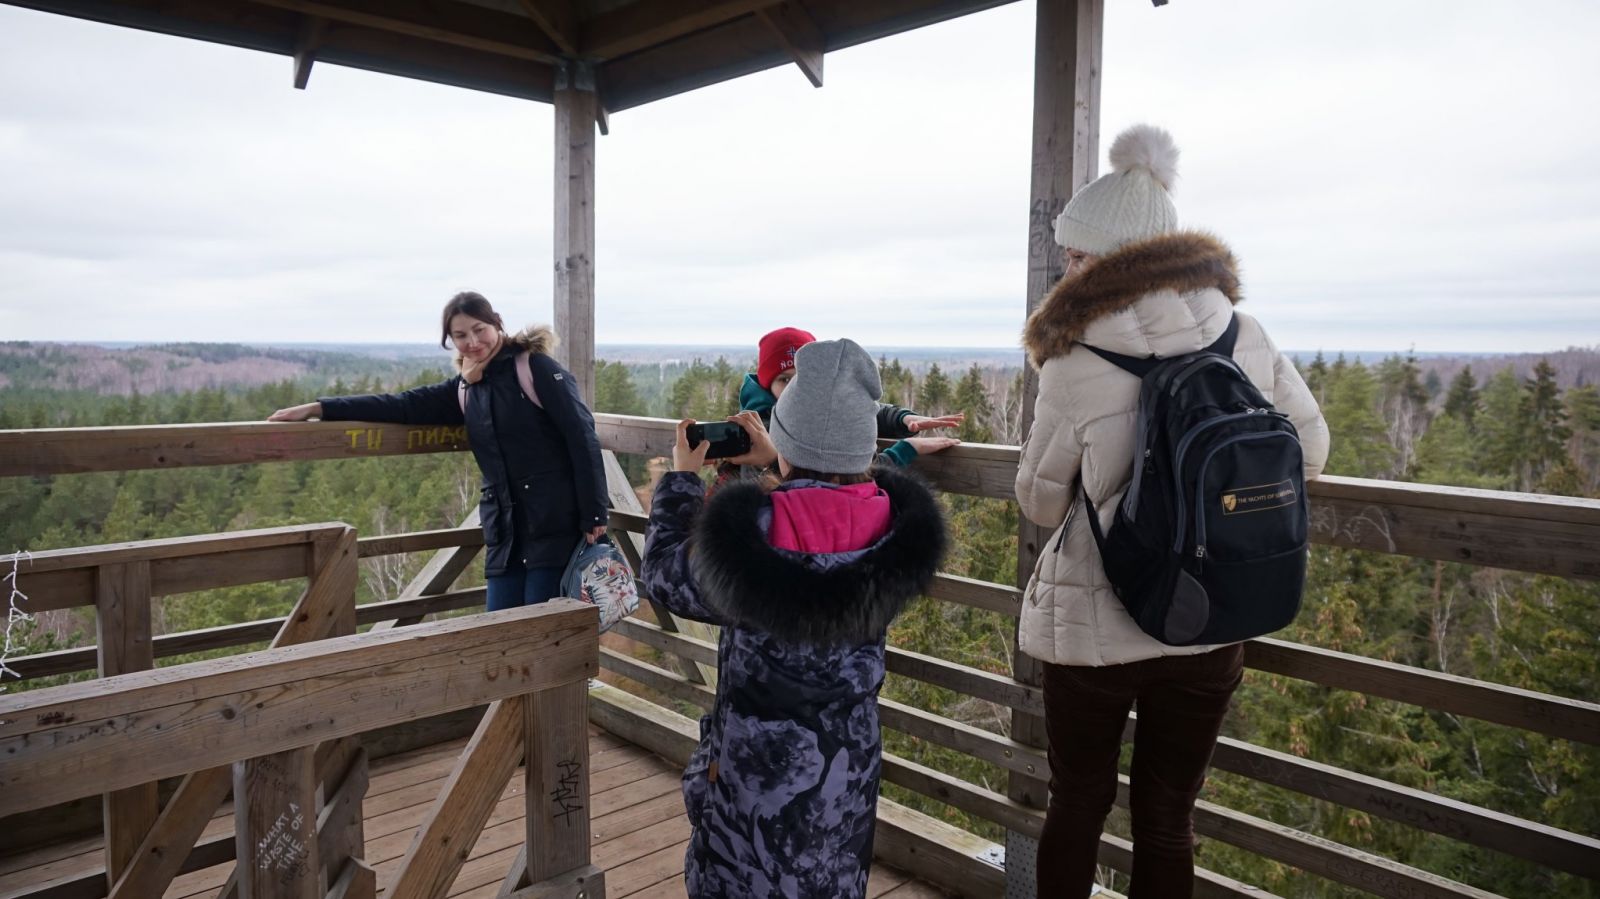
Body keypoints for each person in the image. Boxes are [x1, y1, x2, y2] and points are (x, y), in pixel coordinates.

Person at [1015, 124, 1330, 897]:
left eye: (1079, 253)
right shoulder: (1244, 334)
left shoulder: (1073, 359)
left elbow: (1040, 497)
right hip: (1208, 615)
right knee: (1166, 817)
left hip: (1094, 631)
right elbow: (1310, 450)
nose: (1067, 266)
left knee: (1078, 803)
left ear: (1115, 259)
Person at [642, 338, 948, 898]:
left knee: (743, 877)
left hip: (756, 765)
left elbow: (665, 578)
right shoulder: (891, 525)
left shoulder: (752, 535)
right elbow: (834, 503)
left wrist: (682, 481)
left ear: (786, 440)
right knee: (831, 871)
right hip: (846, 761)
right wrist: (782, 463)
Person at [268, 291, 608, 612]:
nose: (473, 342)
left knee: (545, 631)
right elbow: (401, 405)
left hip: (554, 525)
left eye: (479, 330)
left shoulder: (534, 368)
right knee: (500, 633)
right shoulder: (466, 387)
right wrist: (321, 408)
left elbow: (582, 436)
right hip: (506, 532)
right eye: (460, 336)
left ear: (497, 324)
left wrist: (594, 513)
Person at [712, 326, 964, 490]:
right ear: (768, 385)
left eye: (800, 378)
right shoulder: (759, 428)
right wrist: (904, 451)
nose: (792, 388)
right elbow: (841, 482)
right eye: (784, 379)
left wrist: (904, 419)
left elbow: (868, 411)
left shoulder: (821, 407)